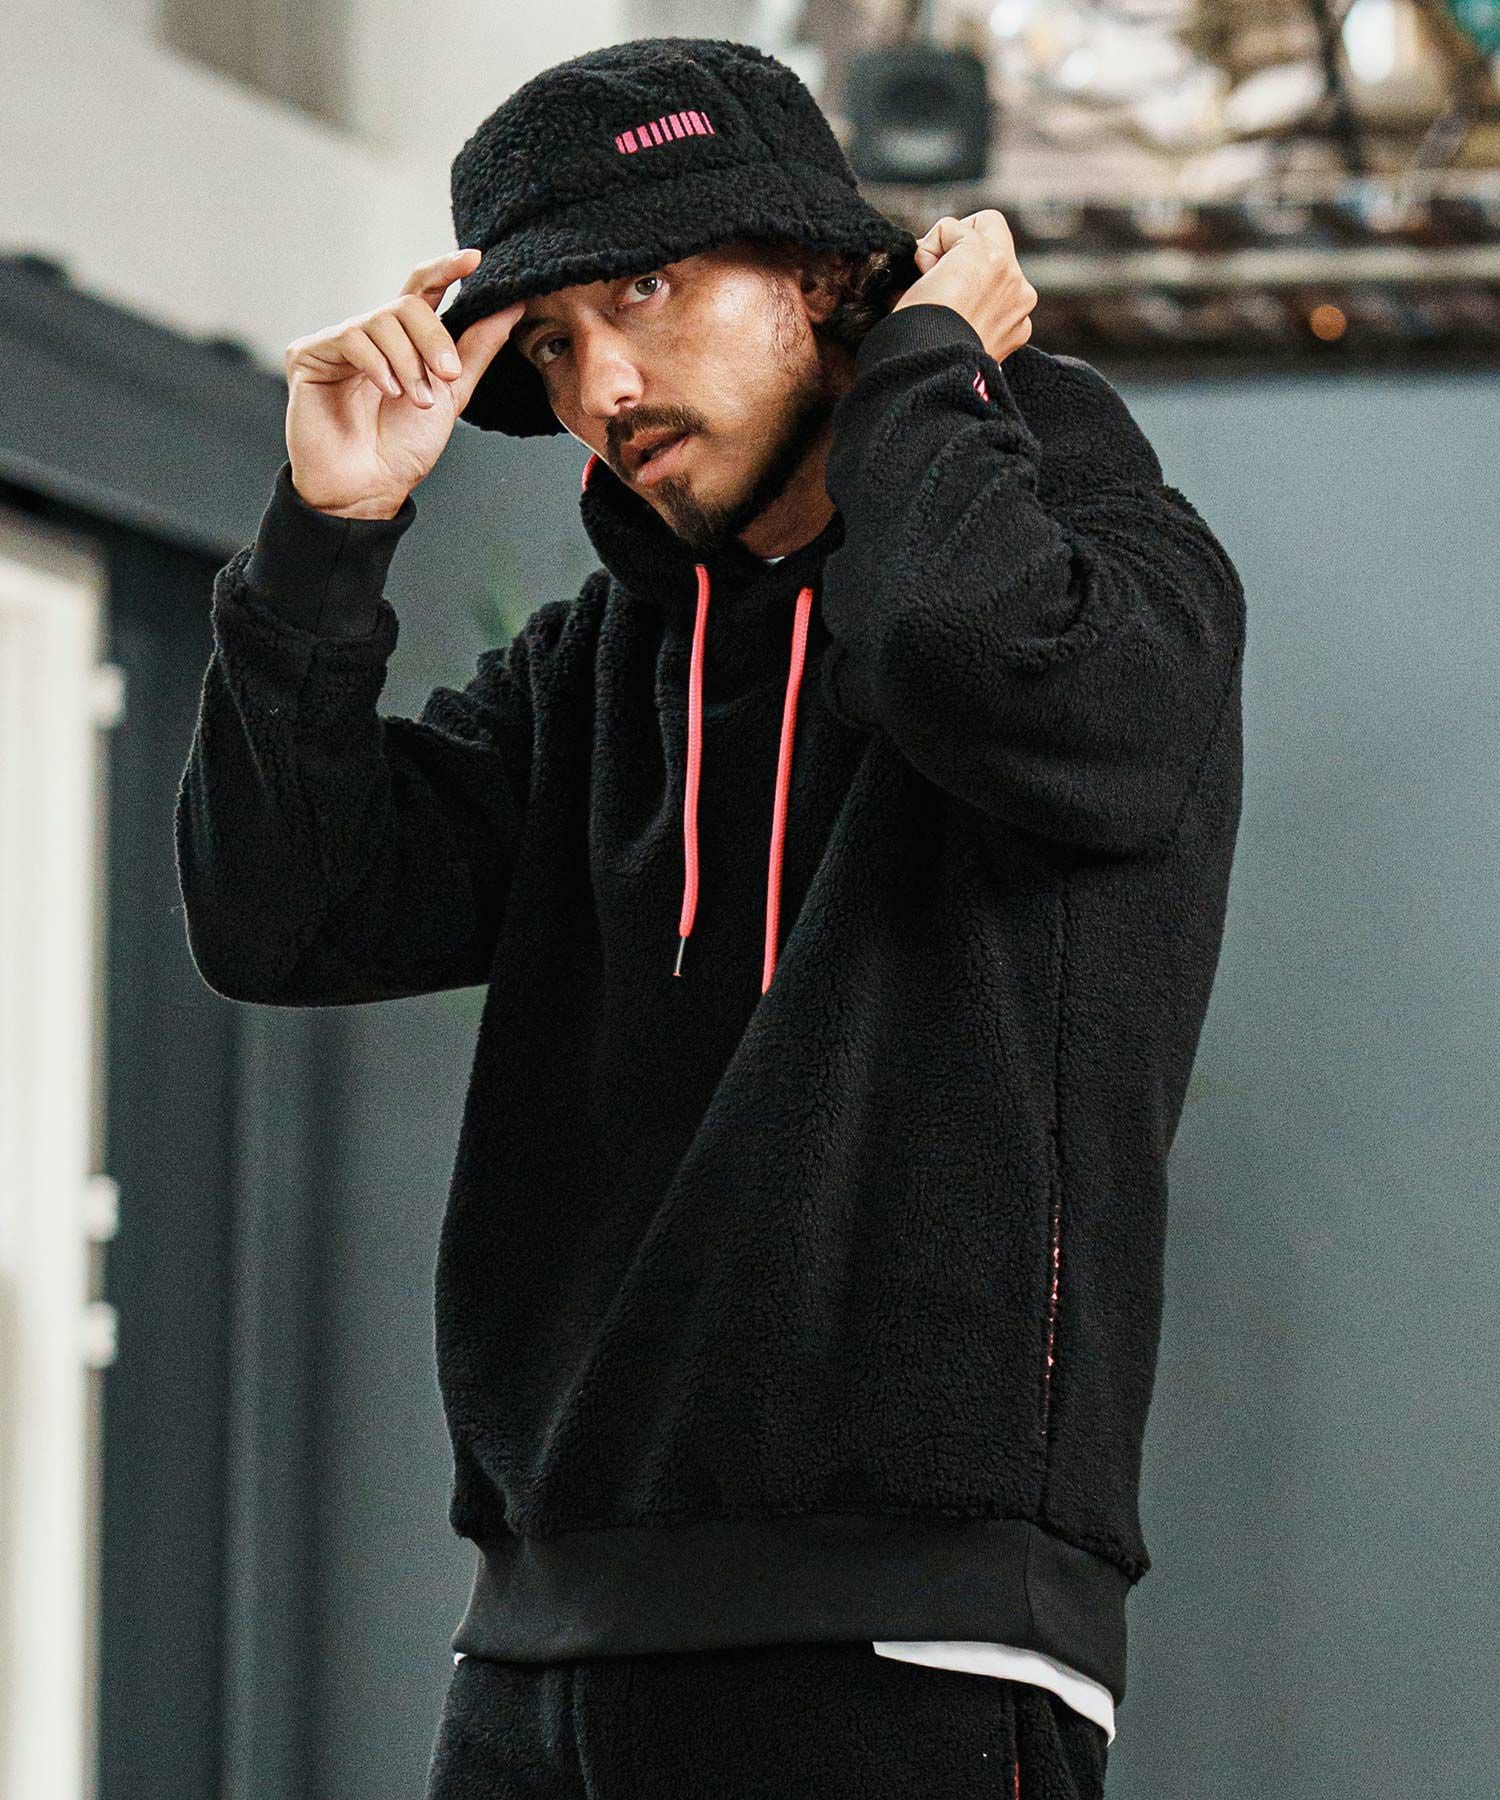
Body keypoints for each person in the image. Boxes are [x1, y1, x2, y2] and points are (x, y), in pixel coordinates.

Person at [175, 37, 1246, 1799]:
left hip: (904, 1639)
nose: (602, 383)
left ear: (821, 275)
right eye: (548, 342)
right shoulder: (597, 671)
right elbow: (279, 914)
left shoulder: (1104, 578)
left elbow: (969, 658)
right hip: (542, 1647)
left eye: (647, 292)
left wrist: (927, 373)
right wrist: (327, 533)